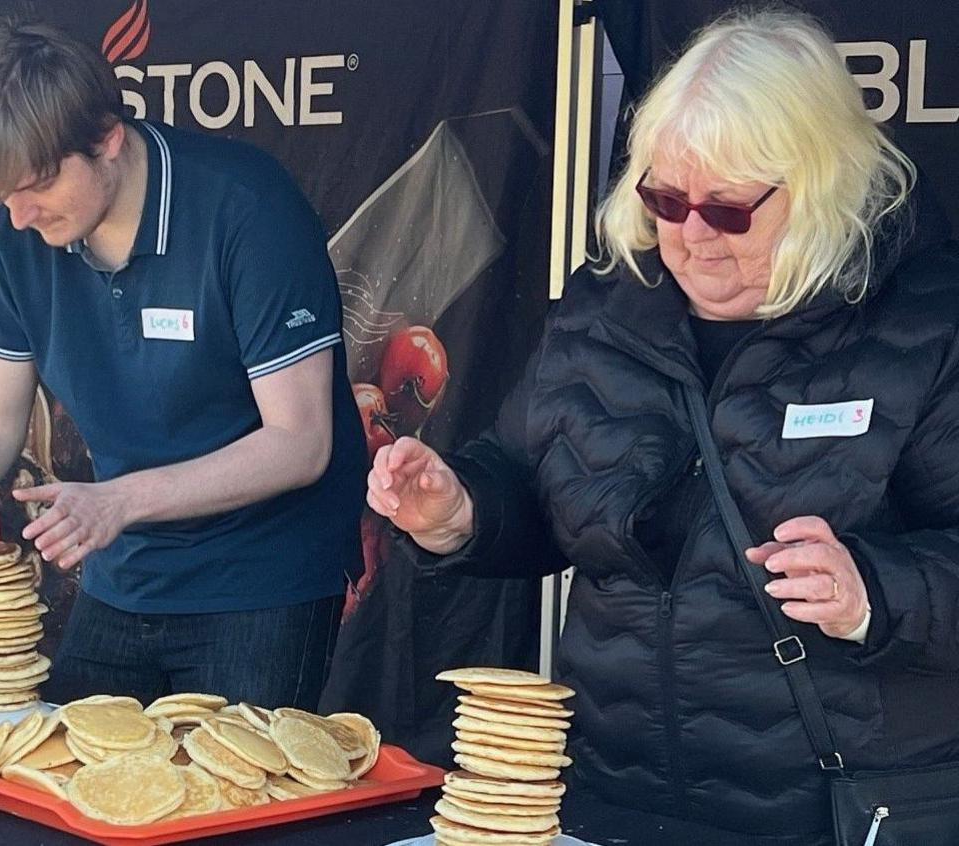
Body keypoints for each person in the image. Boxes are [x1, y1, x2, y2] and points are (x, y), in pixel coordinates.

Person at [368, 9, 959, 844]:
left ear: (822, 183)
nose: (689, 237)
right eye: (665, 199)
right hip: (612, 794)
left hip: (823, 807)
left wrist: (871, 593)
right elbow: (532, 479)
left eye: (727, 210)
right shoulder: (608, 303)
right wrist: (459, 511)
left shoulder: (927, 323)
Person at [0, 18, 366, 711]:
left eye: (35, 186)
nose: (18, 216)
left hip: (263, 578)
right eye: (3, 196)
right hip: (123, 574)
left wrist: (121, 500)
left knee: (235, 809)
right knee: (77, 790)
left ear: (107, 140)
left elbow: (300, 444)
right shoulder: (18, 234)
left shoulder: (248, 210)